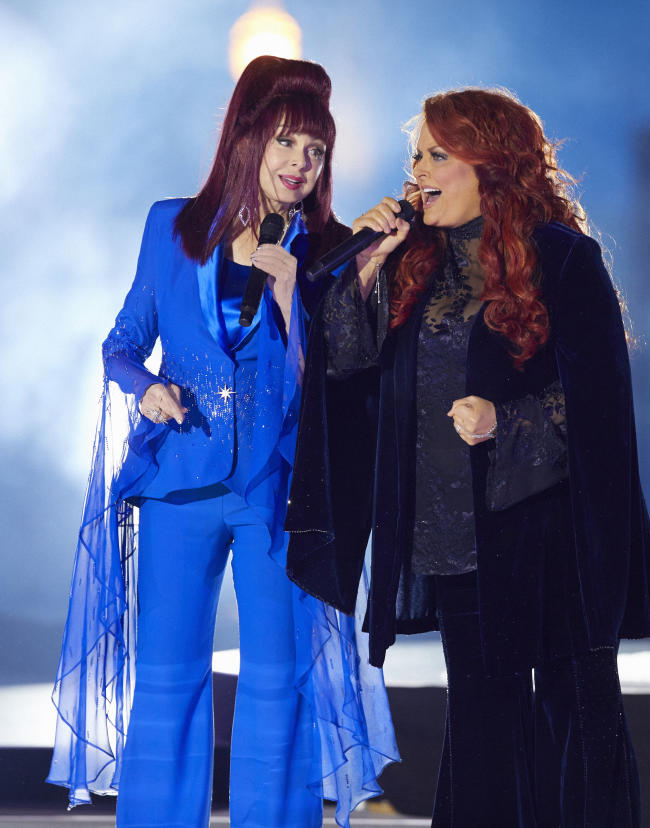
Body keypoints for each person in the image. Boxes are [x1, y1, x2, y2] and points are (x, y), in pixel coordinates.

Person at [286, 87, 650, 827]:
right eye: (415, 155)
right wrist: (366, 269)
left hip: (552, 534)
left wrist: (508, 420)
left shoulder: (564, 259)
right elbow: (347, 368)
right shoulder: (411, 262)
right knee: (482, 725)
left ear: (488, 164)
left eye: (436, 153)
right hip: (454, 536)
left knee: (575, 716)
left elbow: (599, 407)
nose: (417, 170)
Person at [48, 56, 397, 828]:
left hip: (280, 490)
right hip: (180, 482)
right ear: (247, 139)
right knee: (169, 678)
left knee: (280, 681)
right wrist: (150, 388)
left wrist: (290, 294)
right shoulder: (173, 227)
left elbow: (339, 384)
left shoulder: (332, 249)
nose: (301, 164)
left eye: (316, 149)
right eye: (286, 143)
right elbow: (120, 344)